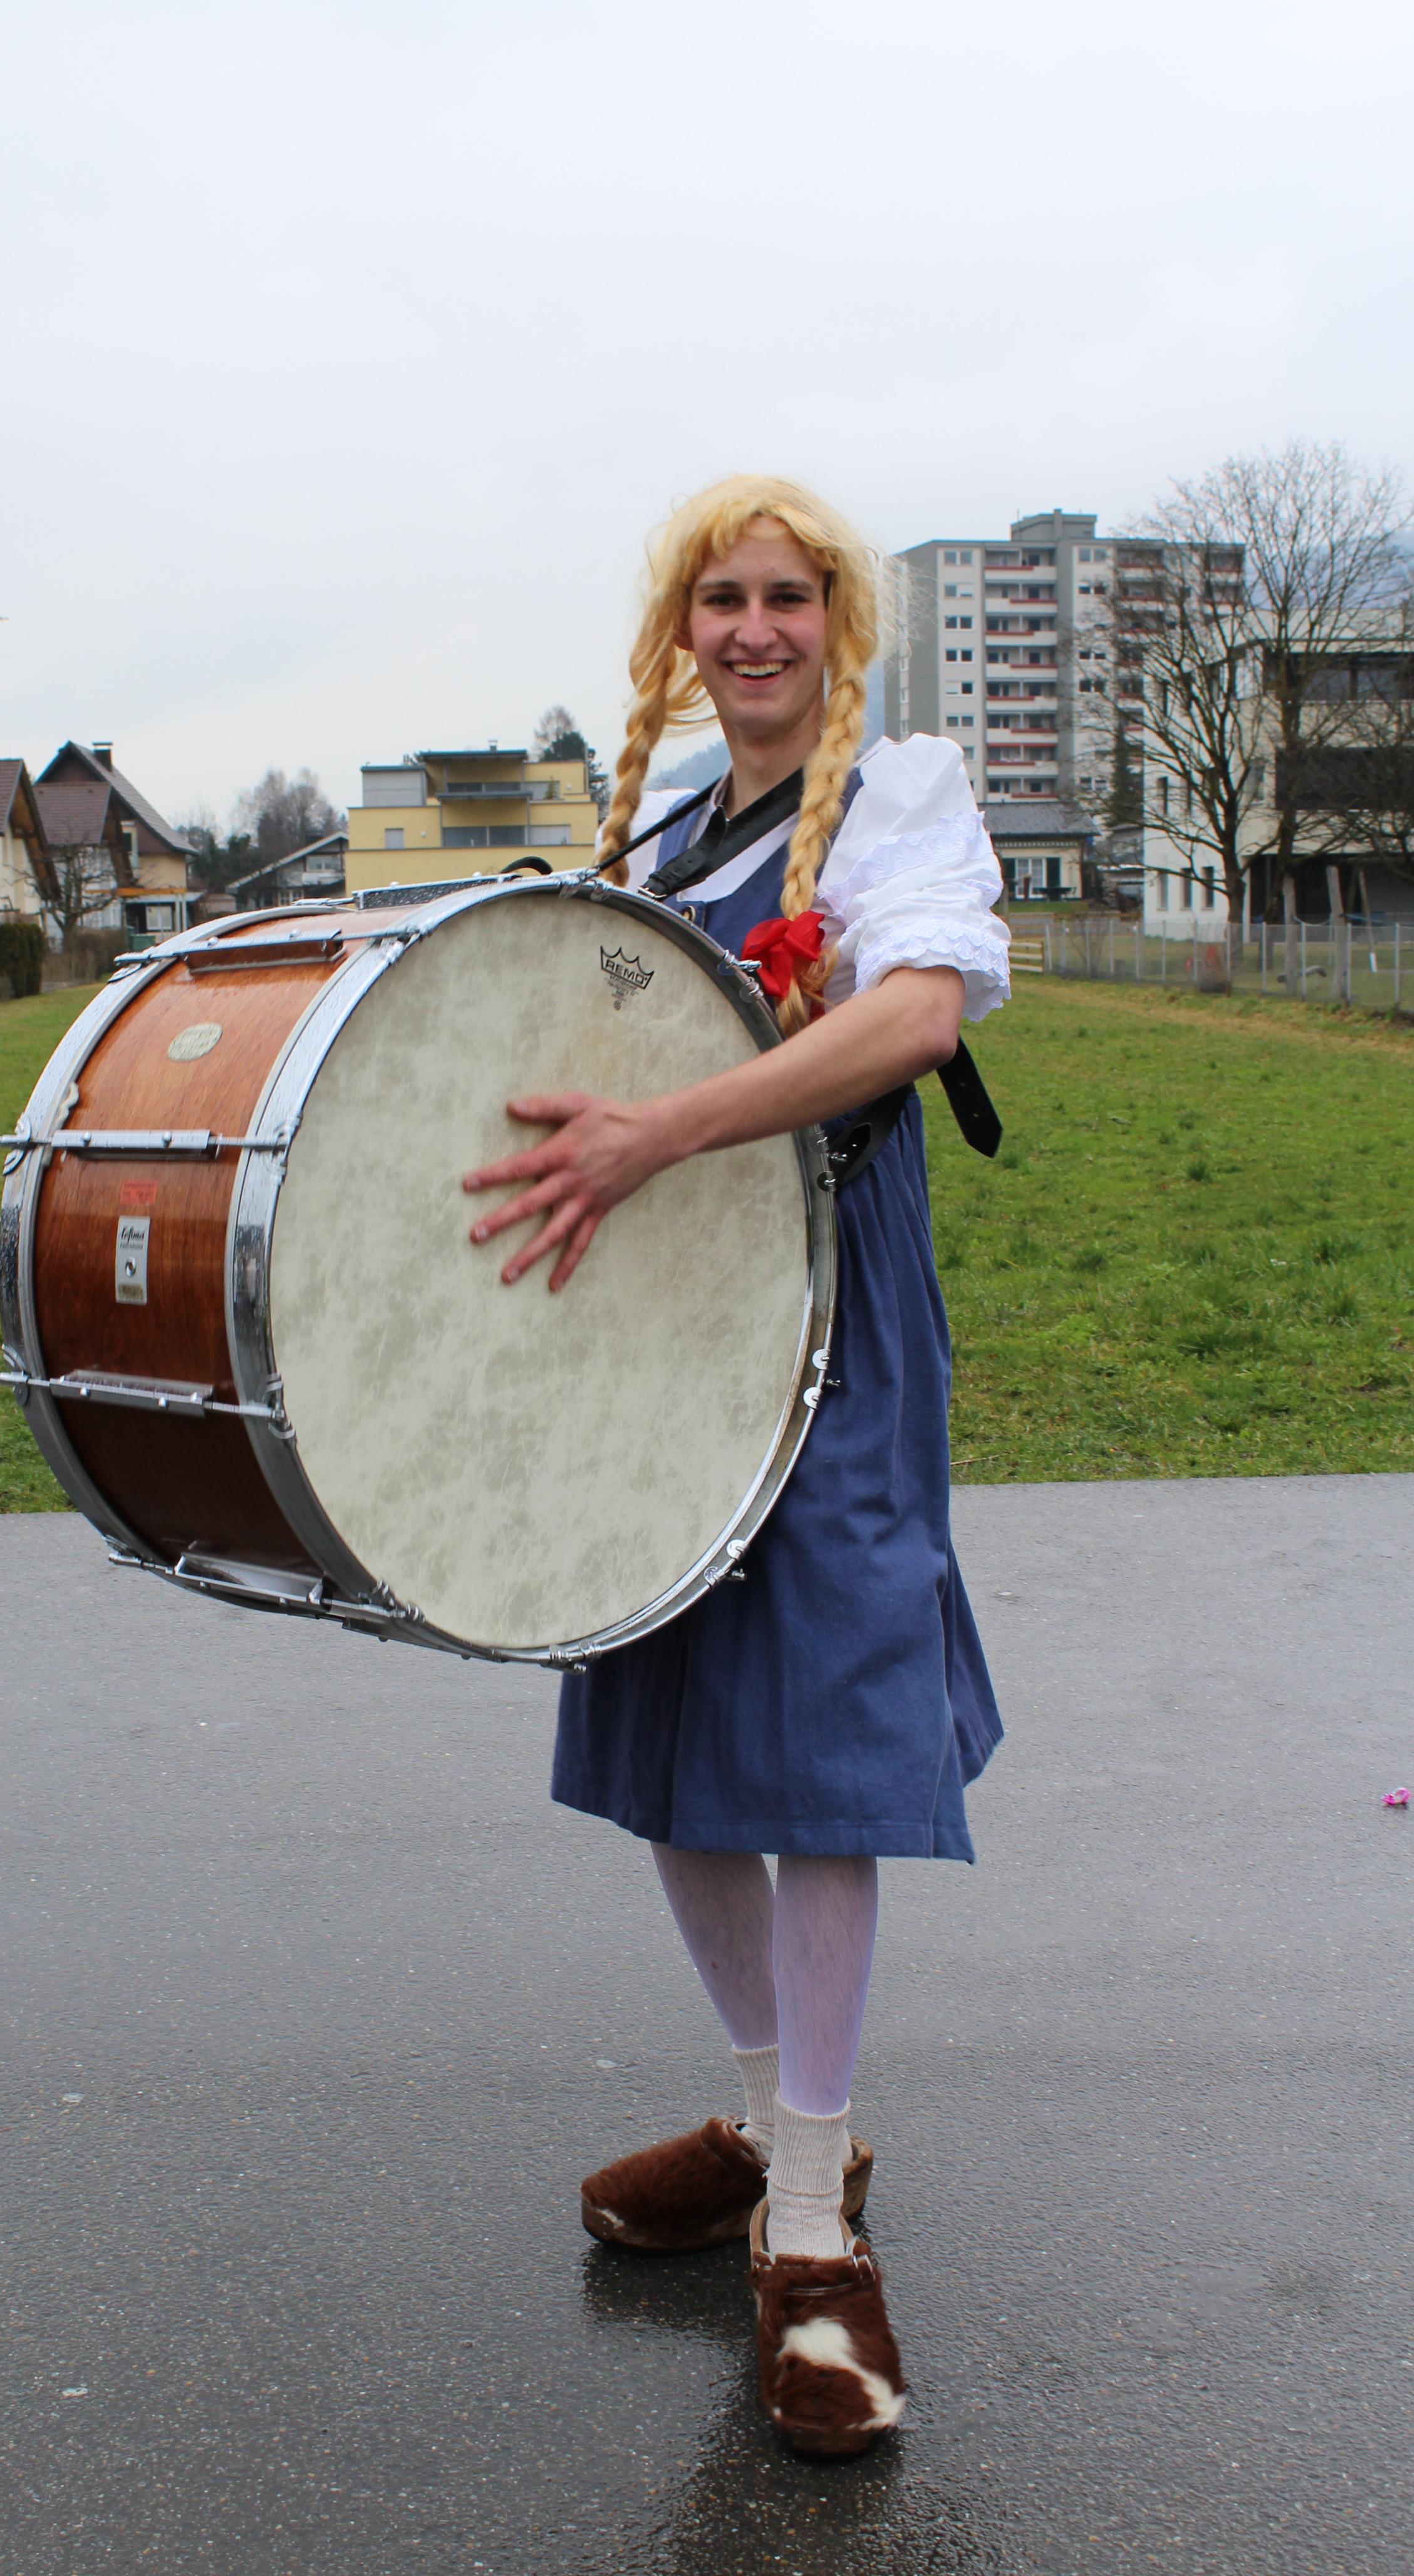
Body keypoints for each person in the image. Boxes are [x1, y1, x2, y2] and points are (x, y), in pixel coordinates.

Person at [462, 475, 1010, 2458]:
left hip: (828, 1301)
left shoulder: (902, 794)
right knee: (673, 1716)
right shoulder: (667, 823)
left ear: (835, 619)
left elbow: (914, 1017)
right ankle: (788, 2120)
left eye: (788, 595)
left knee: (821, 1740)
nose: (755, 628)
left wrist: (658, 1133)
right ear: (680, 631)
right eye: (722, 598)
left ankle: (809, 2234)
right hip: (658, 1310)